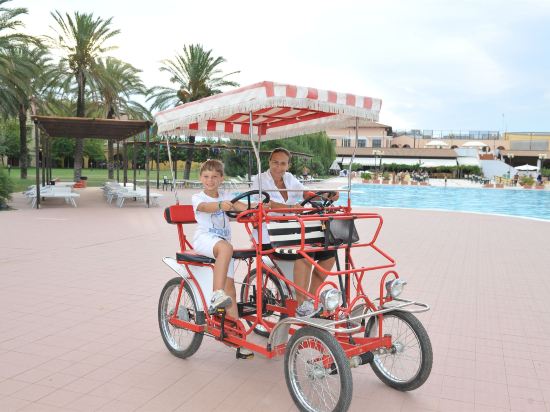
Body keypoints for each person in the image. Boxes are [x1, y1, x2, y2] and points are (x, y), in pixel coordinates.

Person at [252, 148, 339, 317]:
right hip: (269, 236)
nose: (278, 167)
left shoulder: (289, 178)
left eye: (283, 163)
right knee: (305, 252)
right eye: (275, 162)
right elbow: (264, 204)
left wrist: (325, 195)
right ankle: (301, 305)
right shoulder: (260, 180)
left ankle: (310, 300)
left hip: (292, 233)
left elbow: (306, 193)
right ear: (269, 162)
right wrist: (291, 208)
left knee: (329, 253)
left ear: (288, 165)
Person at [191, 159, 248, 319]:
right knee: (226, 247)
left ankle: (235, 328)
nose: (210, 180)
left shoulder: (225, 196)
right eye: (206, 176)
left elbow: (241, 206)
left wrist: (256, 208)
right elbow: (204, 207)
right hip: (205, 239)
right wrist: (219, 205)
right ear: (201, 178)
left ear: (221, 178)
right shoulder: (198, 197)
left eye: (214, 176)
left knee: (230, 290)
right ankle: (216, 294)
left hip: (223, 245)